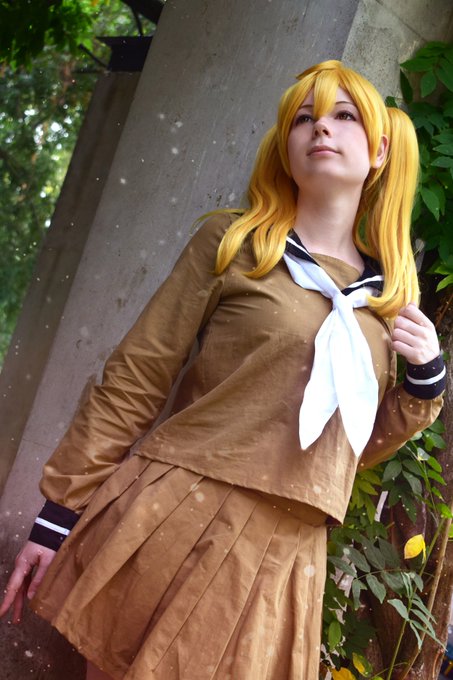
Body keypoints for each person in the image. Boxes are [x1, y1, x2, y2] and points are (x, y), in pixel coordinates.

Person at [0, 60, 445, 680]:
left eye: (344, 116)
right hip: (179, 511)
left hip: (288, 555)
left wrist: (424, 384)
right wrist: (56, 516)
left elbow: (345, 449)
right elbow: (136, 378)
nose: (321, 128)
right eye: (304, 119)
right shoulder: (234, 243)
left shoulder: (387, 299)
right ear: (285, 146)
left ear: (380, 151)